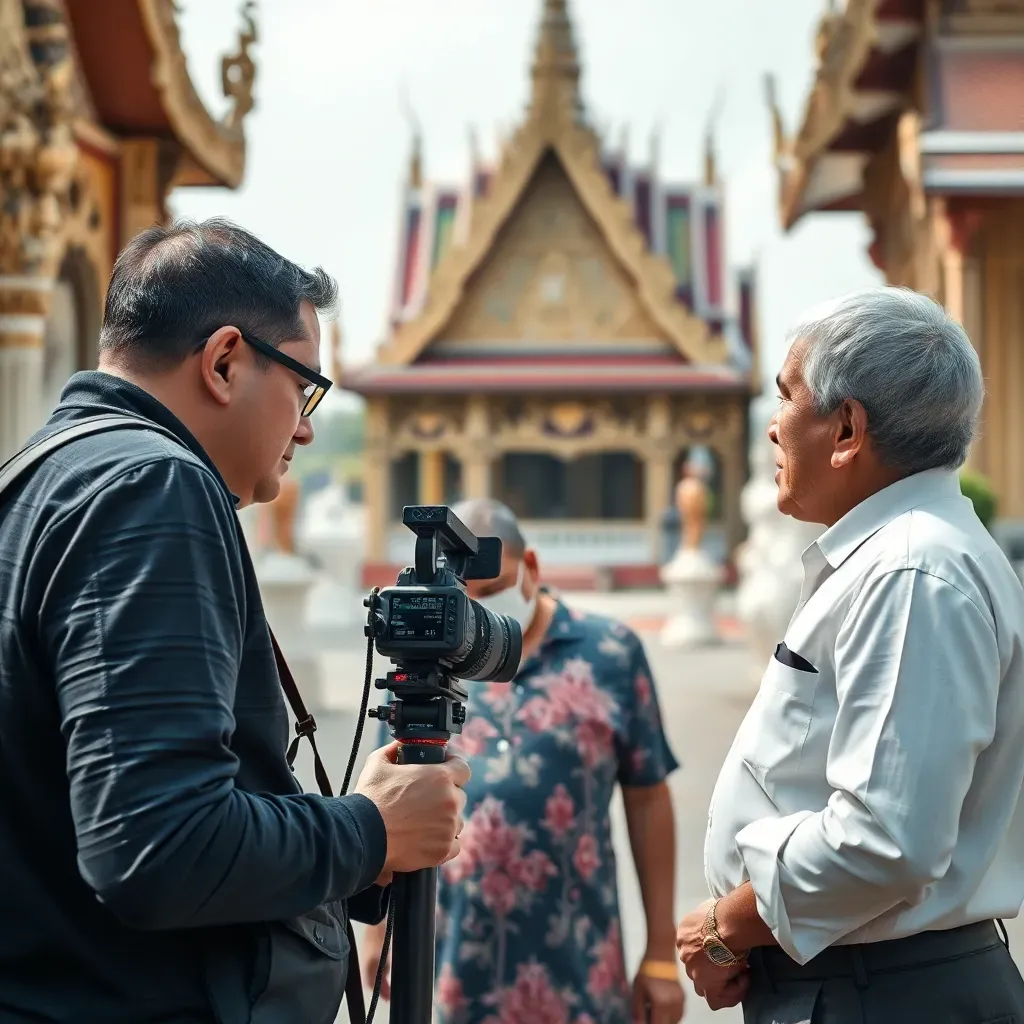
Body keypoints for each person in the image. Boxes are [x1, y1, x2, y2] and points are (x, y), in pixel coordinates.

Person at [0, 219, 470, 1024]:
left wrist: (351, 839)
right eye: (305, 388)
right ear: (224, 362)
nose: (307, 427)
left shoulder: (36, 476)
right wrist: (370, 831)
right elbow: (157, 846)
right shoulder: (153, 488)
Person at [677, 287, 1024, 1023]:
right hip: (859, 980)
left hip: (882, 992)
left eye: (787, 397)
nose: (772, 427)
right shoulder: (904, 556)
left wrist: (724, 926)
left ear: (846, 429)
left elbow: (885, 841)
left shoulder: (912, 572)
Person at [362, 498, 685, 1024]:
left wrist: (660, 955)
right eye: (463, 601)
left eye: (492, 592)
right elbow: (390, 798)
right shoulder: (424, 660)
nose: (477, 615)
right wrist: (378, 933)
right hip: (451, 964)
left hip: (581, 963)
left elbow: (649, 799)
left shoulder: (610, 652)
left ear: (530, 567)